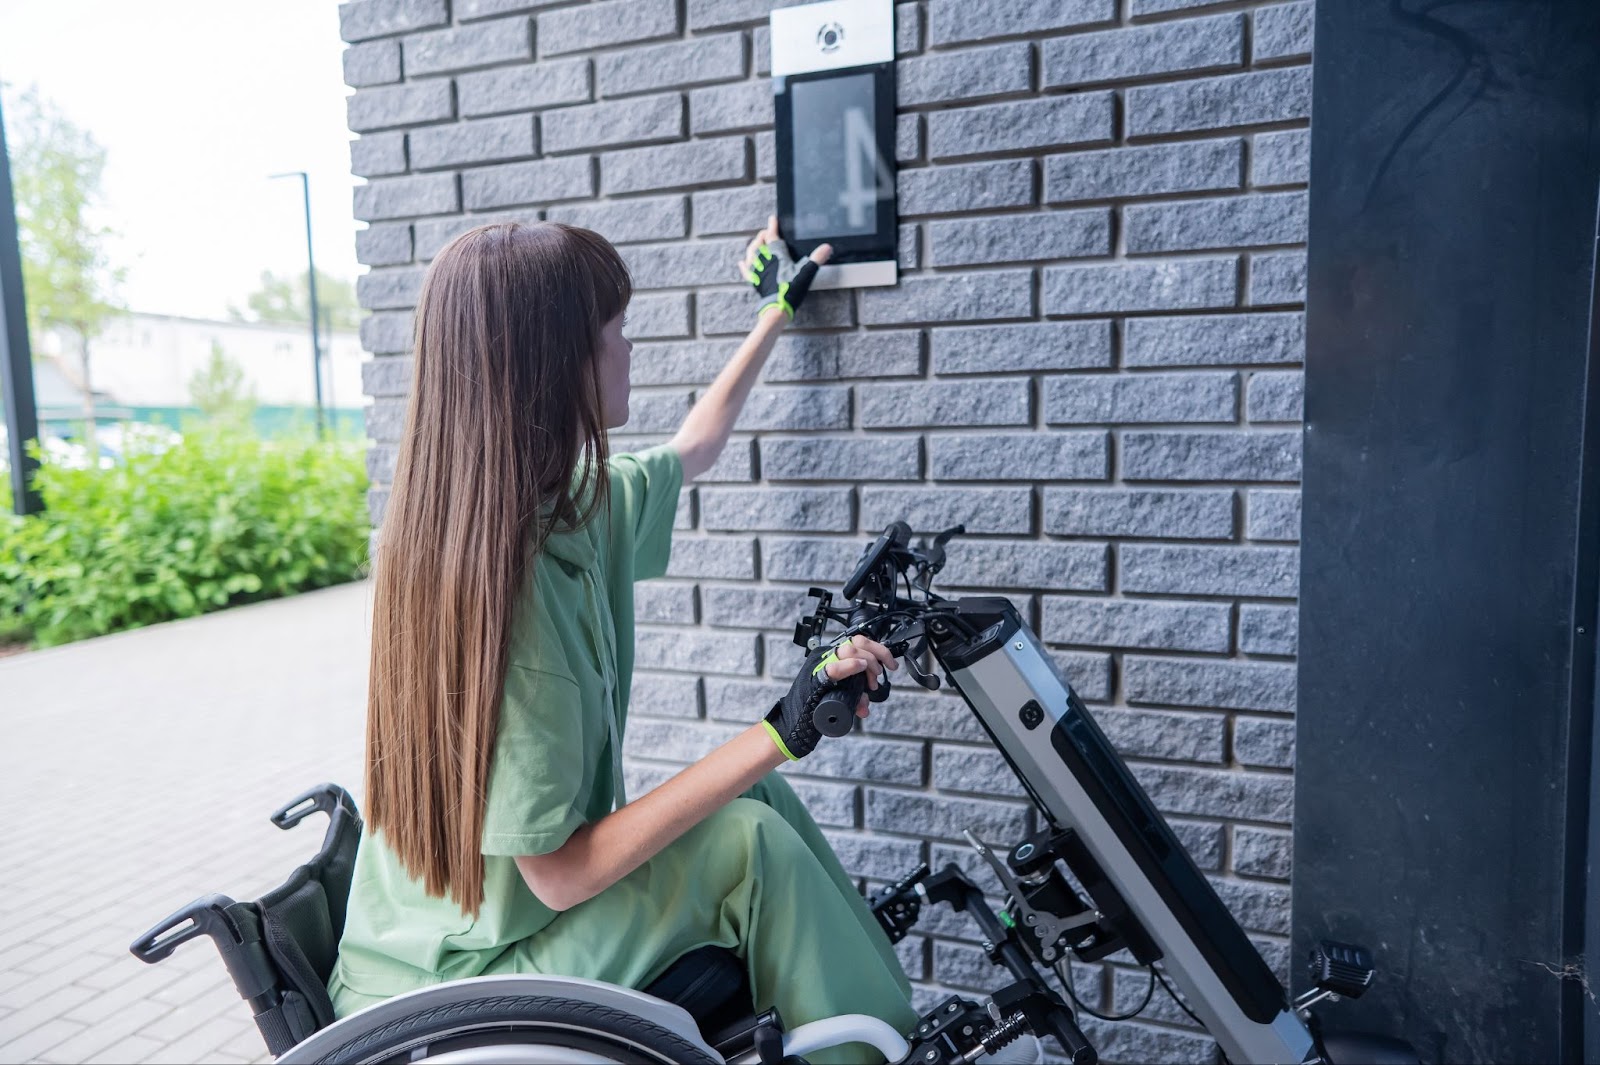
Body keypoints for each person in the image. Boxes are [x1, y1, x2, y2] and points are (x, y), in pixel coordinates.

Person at [327, 217, 920, 1064]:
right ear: (554, 368)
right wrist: (781, 728)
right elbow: (559, 874)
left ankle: (878, 1022)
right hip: (453, 980)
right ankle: (869, 1052)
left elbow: (693, 447)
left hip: (466, 937)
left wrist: (776, 311)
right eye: (615, 332)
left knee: (758, 803)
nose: (630, 347)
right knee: (748, 847)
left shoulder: (566, 505)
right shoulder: (515, 594)